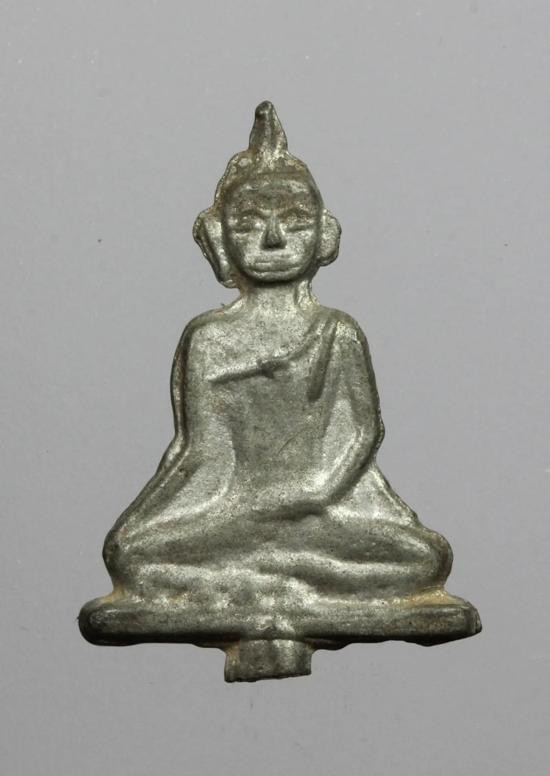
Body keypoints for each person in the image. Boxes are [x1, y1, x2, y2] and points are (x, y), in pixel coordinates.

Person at [81, 104, 479, 678]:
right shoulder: (209, 338)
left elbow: (363, 431)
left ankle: (250, 589)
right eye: (248, 224)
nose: (272, 238)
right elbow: (200, 449)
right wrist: (203, 511)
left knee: (423, 560)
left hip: (320, 507)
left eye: (294, 221)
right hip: (234, 506)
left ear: (325, 235)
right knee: (131, 555)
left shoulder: (336, 331)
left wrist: (314, 494)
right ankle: (293, 588)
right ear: (218, 238)